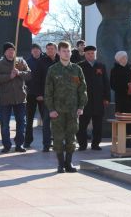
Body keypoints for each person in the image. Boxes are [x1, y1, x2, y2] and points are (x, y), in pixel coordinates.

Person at [44, 41, 87, 173]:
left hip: (73, 111)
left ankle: (69, 163)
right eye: (64, 51)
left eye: (68, 51)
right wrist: (51, 109)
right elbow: (48, 92)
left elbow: (82, 89)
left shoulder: (76, 69)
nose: (67, 53)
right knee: (58, 138)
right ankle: (60, 164)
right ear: (58, 52)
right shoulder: (53, 70)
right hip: (58, 111)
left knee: (71, 138)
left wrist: (81, 106)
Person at [0, 42, 31, 153]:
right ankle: (6, 145)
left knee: (21, 123)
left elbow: (29, 74)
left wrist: (19, 73)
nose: (11, 52)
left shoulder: (21, 62)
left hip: (20, 98)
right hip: (6, 99)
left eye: (13, 50)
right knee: (5, 124)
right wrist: (9, 76)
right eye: (9, 50)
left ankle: (19, 144)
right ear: (5, 52)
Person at [77, 45, 110, 151]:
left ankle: (96, 144)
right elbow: (76, 84)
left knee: (98, 124)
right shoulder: (79, 66)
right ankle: (82, 144)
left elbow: (106, 82)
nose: (91, 55)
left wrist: (106, 97)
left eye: (93, 53)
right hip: (84, 101)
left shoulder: (101, 66)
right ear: (85, 54)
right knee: (82, 125)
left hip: (98, 100)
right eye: (89, 53)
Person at [110, 51, 131, 148]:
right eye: (123, 58)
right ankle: (121, 140)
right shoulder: (115, 70)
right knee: (122, 120)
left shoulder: (130, 67)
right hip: (122, 99)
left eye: (126, 57)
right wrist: (125, 87)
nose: (125, 59)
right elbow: (113, 84)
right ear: (118, 59)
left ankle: (129, 141)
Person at [36, 42, 60, 152]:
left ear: (56, 50)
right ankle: (46, 144)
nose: (50, 51)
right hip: (47, 96)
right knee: (46, 121)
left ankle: (58, 143)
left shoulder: (61, 60)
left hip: (60, 96)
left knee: (59, 121)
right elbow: (38, 79)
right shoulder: (41, 62)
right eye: (48, 49)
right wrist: (39, 94)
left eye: (52, 49)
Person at [24, 43, 45, 149]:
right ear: (31, 51)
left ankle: (47, 140)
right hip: (31, 95)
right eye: (34, 50)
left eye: (38, 49)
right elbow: (25, 78)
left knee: (46, 119)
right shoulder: (27, 62)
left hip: (43, 95)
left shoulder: (45, 60)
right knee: (29, 119)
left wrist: (41, 93)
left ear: (40, 51)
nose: (36, 51)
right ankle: (27, 140)